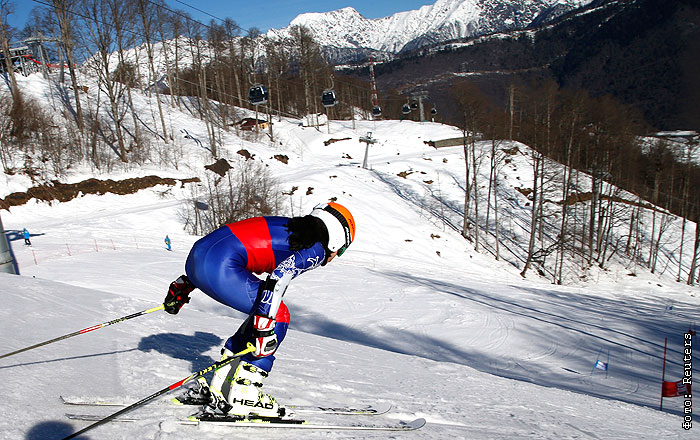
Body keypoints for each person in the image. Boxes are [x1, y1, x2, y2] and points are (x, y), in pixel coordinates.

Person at [163, 202, 356, 419]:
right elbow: (278, 278)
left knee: (266, 309)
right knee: (278, 315)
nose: (336, 255)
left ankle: (221, 387)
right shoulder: (316, 248)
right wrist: (264, 327)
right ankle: (246, 394)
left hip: (197, 258)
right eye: (342, 249)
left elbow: (229, 244)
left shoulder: (291, 227)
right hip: (220, 266)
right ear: (338, 237)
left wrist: (186, 284)